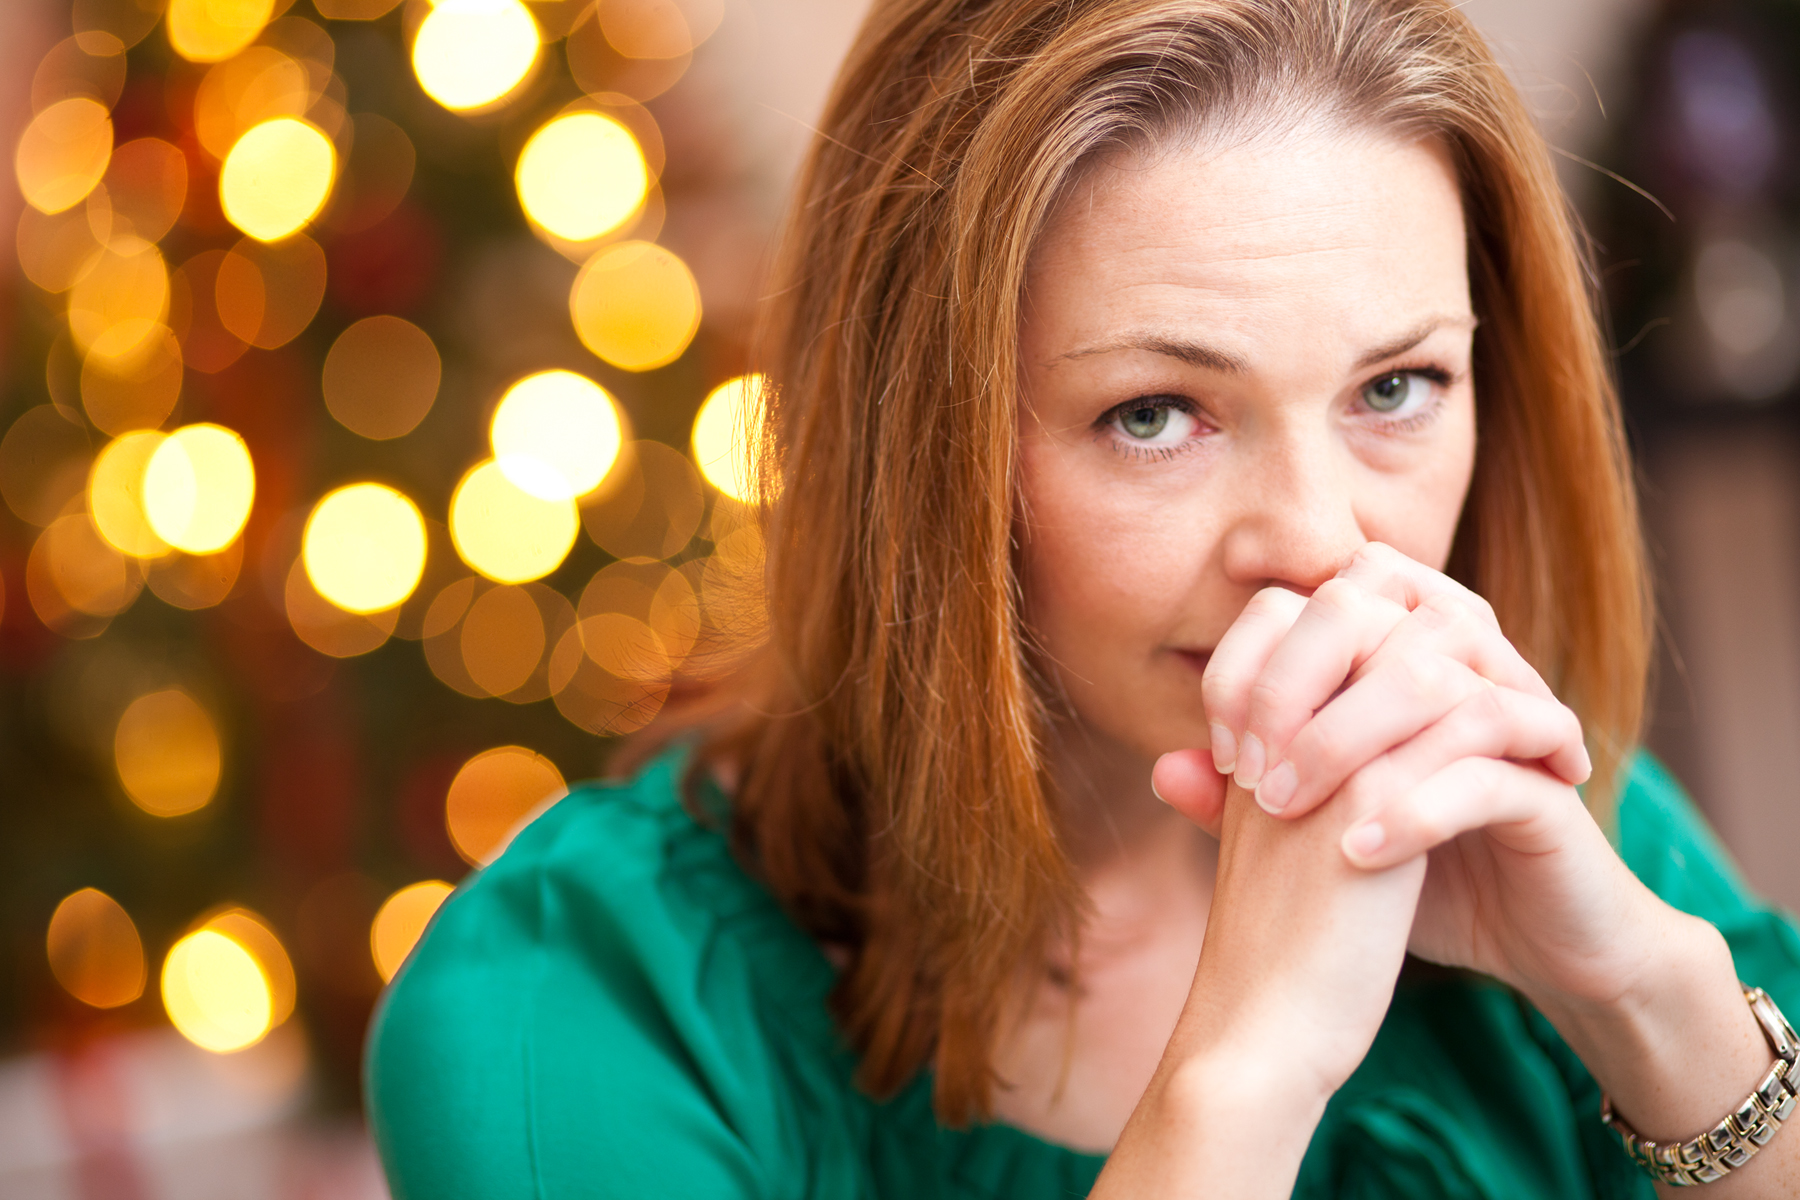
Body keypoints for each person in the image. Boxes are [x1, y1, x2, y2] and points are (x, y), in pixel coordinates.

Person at [366, 0, 1800, 1195]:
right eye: (1156, 414)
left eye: (1397, 386)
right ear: (916, 448)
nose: (1315, 547)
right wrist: (1246, 1069)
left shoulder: (1557, 827)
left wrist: (1656, 1009)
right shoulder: (576, 1011)